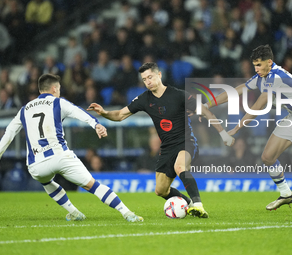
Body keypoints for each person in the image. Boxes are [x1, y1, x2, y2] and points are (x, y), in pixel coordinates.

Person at [88, 62, 234, 218]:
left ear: (159, 75)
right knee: (161, 190)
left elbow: (205, 111)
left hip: (186, 142)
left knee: (180, 166)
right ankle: (190, 206)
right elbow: (120, 115)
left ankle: (198, 205)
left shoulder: (178, 95)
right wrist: (103, 112)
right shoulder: (144, 99)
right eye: (144, 79)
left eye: (150, 77)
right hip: (166, 148)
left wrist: (223, 134)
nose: (147, 81)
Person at [204, 45, 292, 215]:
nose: (256, 69)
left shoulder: (276, 76)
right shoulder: (262, 76)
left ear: (270, 62)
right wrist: (207, 105)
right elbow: (237, 91)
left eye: (259, 65)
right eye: (254, 65)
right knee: (267, 157)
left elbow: (260, 104)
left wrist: (237, 127)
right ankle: (286, 193)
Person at [0, 73, 143, 222]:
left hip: (36, 165)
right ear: (54, 88)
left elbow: (9, 134)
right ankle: (127, 213)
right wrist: (96, 124)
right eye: (58, 88)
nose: (59, 91)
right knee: (92, 185)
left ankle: (74, 212)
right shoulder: (58, 102)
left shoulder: (24, 109)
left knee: (46, 182)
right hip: (60, 156)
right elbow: (79, 112)